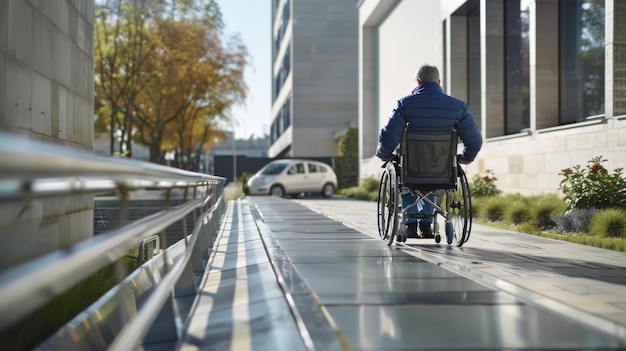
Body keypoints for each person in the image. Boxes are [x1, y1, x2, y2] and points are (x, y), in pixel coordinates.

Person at [376, 64, 482, 238]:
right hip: (442, 172)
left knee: (404, 169)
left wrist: (384, 154)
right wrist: (465, 157)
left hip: (411, 171)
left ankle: (410, 223)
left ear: (418, 82)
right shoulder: (458, 107)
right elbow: (475, 140)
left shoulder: (404, 104)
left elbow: (389, 136)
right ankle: (426, 224)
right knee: (432, 171)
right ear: (439, 82)